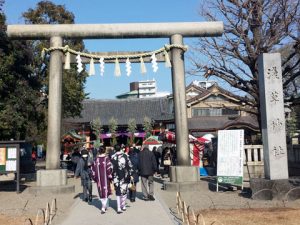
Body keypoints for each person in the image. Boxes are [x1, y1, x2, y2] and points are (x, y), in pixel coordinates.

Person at [110, 144, 133, 214]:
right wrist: (131, 174)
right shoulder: (125, 156)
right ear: (120, 149)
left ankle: (119, 207)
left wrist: (111, 176)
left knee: (118, 192)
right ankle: (123, 205)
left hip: (116, 177)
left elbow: (111, 168)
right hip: (125, 176)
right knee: (124, 191)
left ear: (114, 149)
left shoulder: (113, 157)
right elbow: (130, 166)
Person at [91, 147, 113, 214]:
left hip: (99, 179)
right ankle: (103, 207)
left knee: (101, 192)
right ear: (104, 151)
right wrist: (110, 176)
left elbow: (92, 170)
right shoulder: (107, 159)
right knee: (105, 192)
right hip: (105, 178)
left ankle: (104, 205)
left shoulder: (96, 160)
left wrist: (94, 177)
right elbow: (109, 169)